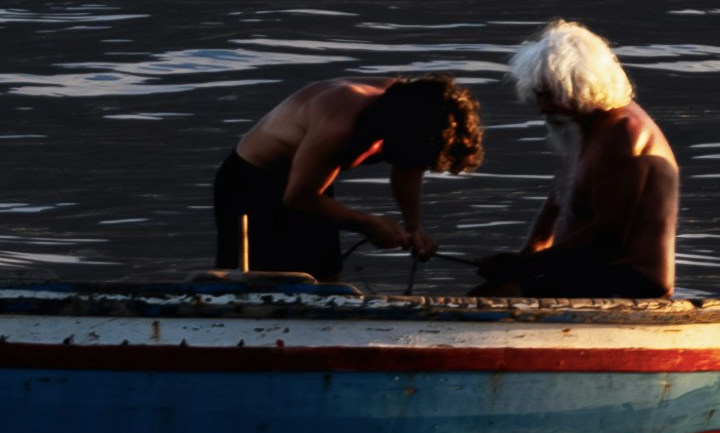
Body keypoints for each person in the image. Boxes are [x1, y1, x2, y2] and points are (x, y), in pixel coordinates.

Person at [212, 71, 484, 279]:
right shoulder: (339, 124)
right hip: (252, 183)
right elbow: (297, 197)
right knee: (255, 280)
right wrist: (369, 223)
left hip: (311, 184)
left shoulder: (413, 109)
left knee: (324, 277)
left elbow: (408, 165)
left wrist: (414, 227)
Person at [482, 17, 680, 297]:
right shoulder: (579, 128)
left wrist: (523, 267)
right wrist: (527, 253)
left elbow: (608, 243)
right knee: (494, 290)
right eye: (538, 96)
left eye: (550, 96)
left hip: (632, 282)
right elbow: (558, 200)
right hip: (584, 272)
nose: (542, 108)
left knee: (494, 297)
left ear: (581, 87)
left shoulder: (625, 137)